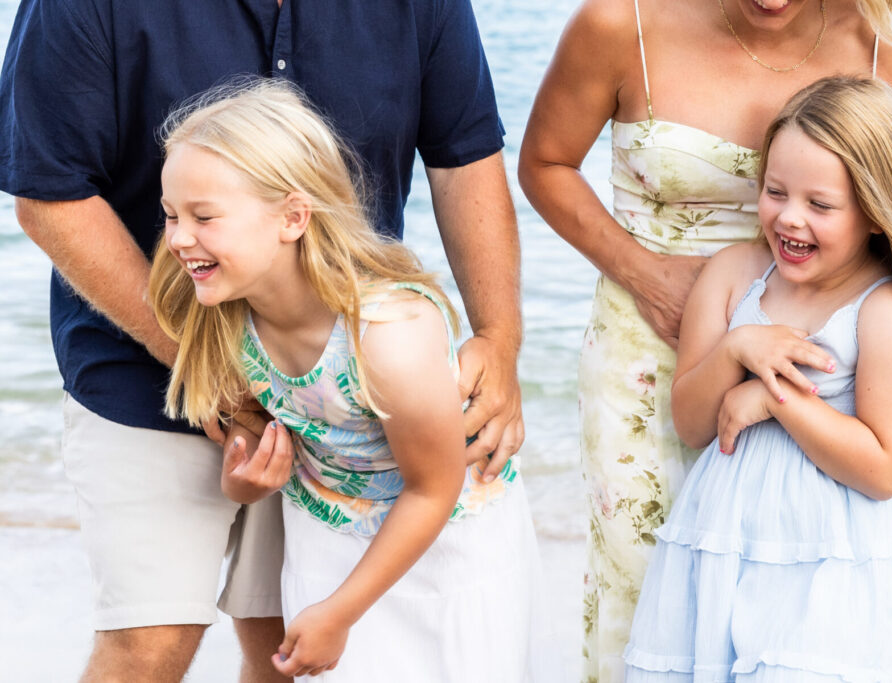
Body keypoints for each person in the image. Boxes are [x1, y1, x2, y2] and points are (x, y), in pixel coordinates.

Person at [0, 1, 522, 681]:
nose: (179, 230)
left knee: (286, 648)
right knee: (149, 638)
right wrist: (206, 366)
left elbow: (464, 155)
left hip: (346, 397)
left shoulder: (395, 337)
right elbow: (49, 193)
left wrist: (499, 337)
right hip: (146, 368)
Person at [517, 0, 892, 678]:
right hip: (654, 361)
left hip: (829, 370)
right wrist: (653, 279)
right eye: (775, 193)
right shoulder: (618, 21)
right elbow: (543, 162)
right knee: (651, 607)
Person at [148, 79, 544, 682]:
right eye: (171, 215)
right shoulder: (224, 313)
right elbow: (266, 427)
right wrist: (245, 482)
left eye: (204, 217)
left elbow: (433, 489)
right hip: (327, 534)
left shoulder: (389, 336)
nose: (177, 238)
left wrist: (340, 612)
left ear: (293, 217)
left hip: (445, 546)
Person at [622, 75, 892, 681]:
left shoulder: (887, 311)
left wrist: (774, 397)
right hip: (726, 545)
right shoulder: (735, 276)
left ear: (874, 210)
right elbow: (690, 423)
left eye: (820, 205)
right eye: (775, 191)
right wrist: (738, 347)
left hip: (833, 562)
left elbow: (884, 469)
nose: (789, 218)